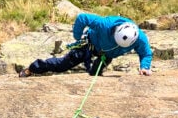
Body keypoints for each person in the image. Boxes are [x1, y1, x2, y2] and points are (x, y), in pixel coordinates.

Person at [18, 12, 153, 78]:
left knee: (95, 73)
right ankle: (32, 69)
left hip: (105, 55)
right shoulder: (105, 25)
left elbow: (145, 53)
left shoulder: (139, 38)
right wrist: (78, 37)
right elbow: (82, 18)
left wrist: (145, 67)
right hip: (89, 44)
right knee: (62, 65)